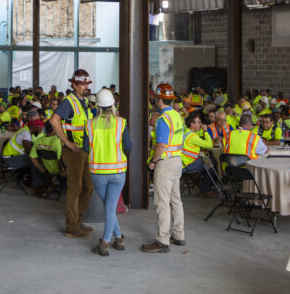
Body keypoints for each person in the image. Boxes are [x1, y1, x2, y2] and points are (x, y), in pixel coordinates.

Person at [84, 88, 132, 257]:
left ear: (96, 105)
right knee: (110, 208)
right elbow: (129, 147)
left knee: (109, 207)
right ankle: (118, 238)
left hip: (98, 172)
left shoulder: (89, 124)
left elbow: (84, 148)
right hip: (118, 172)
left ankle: (105, 242)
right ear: (113, 104)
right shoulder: (121, 122)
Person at [49, 69, 95, 238]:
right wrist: (67, 142)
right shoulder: (69, 102)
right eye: (82, 84)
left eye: (87, 84)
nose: (85, 87)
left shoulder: (83, 102)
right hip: (73, 151)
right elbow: (54, 120)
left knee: (88, 186)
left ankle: (78, 220)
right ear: (74, 85)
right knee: (75, 188)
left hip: (84, 150)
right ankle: (71, 226)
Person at [142, 83, 185, 254]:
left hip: (165, 163)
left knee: (162, 202)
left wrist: (153, 162)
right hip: (177, 161)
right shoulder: (177, 116)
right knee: (176, 199)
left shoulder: (162, 120)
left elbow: (161, 145)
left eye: (155, 98)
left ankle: (162, 240)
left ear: (159, 100)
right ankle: (179, 235)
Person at [180, 112, 216, 197]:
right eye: (198, 122)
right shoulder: (193, 136)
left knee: (208, 161)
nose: (201, 124)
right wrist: (206, 131)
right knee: (212, 163)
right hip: (186, 165)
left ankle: (204, 187)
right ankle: (205, 190)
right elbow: (209, 145)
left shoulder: (186, 131)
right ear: (192, 124)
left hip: (183, 162)